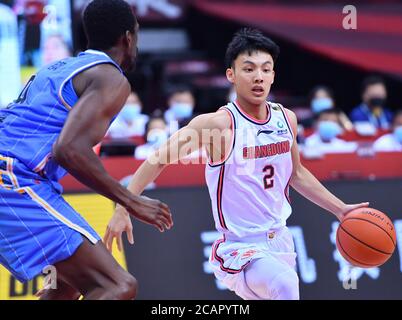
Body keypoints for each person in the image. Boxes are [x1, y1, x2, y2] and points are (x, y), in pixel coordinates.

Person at [104, 28, 368, 300]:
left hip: (280, 241)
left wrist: (341, 209)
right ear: (231, 75)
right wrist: (125, 206)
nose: (258, 77)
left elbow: (297, 174)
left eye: (266, 70)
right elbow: (157, 158)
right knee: (286, 284)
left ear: (273, 76)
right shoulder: (218, 125)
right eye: (249, 69)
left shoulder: (285, 119)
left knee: (283, 283)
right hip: (239, 248)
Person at [0, 0, 172, 300]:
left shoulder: (59, 67)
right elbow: (69, 149)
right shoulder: (110, 77)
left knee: (66, 283)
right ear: (128, 38)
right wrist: (131, 201)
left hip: (19, 176)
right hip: (13, 179)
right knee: (117, 285)